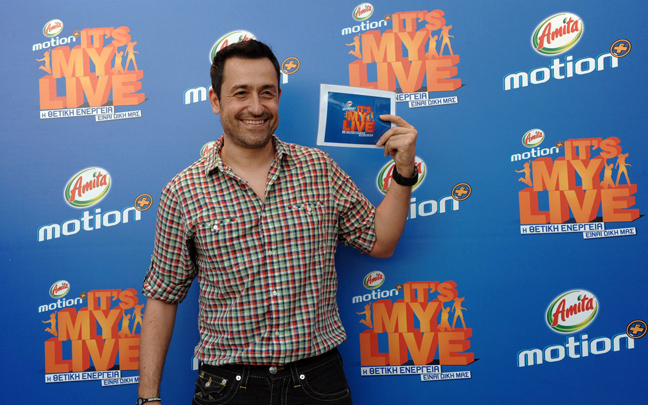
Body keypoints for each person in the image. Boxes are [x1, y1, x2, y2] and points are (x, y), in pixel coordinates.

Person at [138, 39, 418, 405]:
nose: (256, 107)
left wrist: (403, 172)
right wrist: (148, 398)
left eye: (266, 93)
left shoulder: (319, 169)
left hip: (318, 384)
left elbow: (381, 241)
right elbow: (163, 297)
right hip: (228, 388)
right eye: (241, 93)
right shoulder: (183, 191)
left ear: (278, 97)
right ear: (215, 100)